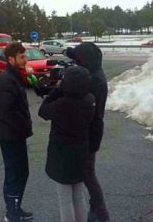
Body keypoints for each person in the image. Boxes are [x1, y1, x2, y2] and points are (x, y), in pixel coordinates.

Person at [39, 66, 96, 222]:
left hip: (62, 153)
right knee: (78, 195)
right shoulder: (90, 99)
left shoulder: (62, 104)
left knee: (65, 199)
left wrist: (57, 89)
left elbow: (42, 111)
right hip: (81, 151)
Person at [65, 42, 110, 222]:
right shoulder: (93, 72)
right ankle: (96, 209)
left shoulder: (95, 80)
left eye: (79, 60)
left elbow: (85, 107)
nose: (77, 63)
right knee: (88, 173)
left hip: (90, 132)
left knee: (88, 174)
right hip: (90, 130)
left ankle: (101, 212)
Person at [0, 42, 33, 221]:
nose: (25, 60)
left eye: (25, 56)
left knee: (21, 172)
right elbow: (5, 112)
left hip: (16, 134)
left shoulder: (14, 76)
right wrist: (21, 127)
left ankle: (15, 209)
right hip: (11, 136)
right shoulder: (7, 80)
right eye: (22, 57)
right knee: (15, 173)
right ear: (11, 59)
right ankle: (11, 213)